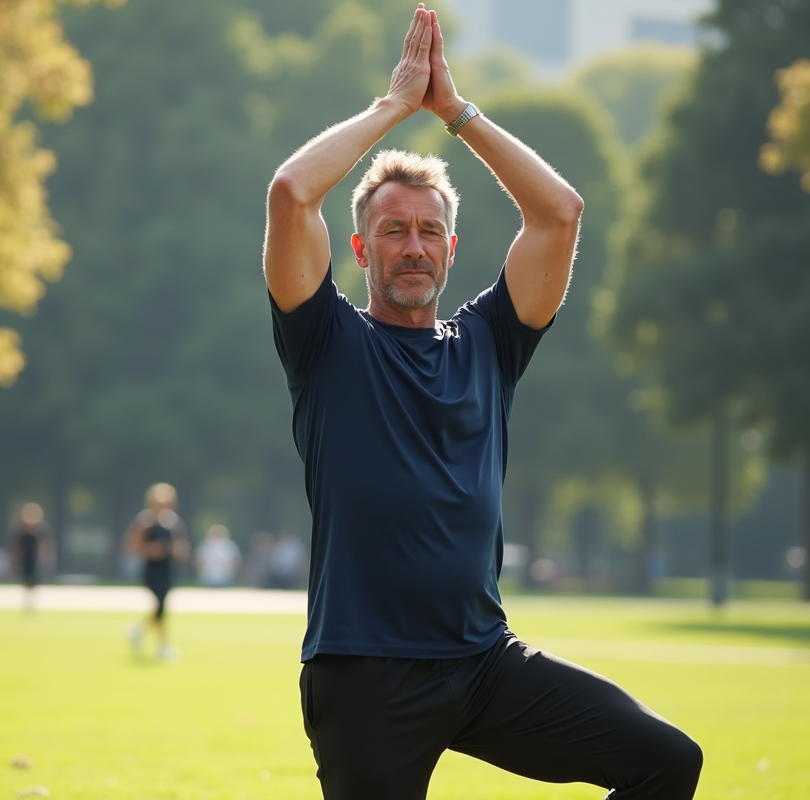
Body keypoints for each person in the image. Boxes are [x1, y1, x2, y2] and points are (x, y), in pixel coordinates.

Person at [262, 6, 702, 799]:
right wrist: (394, 107)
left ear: (452, 248)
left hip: (483, 661)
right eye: (393, 230)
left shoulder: (489, 343)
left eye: (431, 230)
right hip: (364, 671)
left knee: (666, 761)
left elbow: (561, 211)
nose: (414, 245)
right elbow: (292, 193)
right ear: (360, 249)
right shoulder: (327, 342)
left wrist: (457, 113)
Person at [124, 482, 190, 660]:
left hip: (167, 568)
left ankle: (140, 631)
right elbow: (132, 545)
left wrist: (178, 551)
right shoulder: (145, 522)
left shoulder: (173, 522)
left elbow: (180, 546)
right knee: (160, 604)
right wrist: (150, 549)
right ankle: (162, 645)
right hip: (151, 569)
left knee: (161, 607)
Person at [10, 502, 54, 612]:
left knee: (34, 582)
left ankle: (32, 604)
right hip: (25, 560)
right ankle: (26, 604)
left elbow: (46, 546)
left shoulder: (41, 530)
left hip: (35, 560)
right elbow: (16, 547)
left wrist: (45, 558)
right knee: (26, 582)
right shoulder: (21, 530)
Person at [194, 524, 242, 588]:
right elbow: (198, 561)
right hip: (207, 579)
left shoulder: (230, 545)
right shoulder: (204, 545)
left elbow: (236, 561)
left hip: (226, 579)